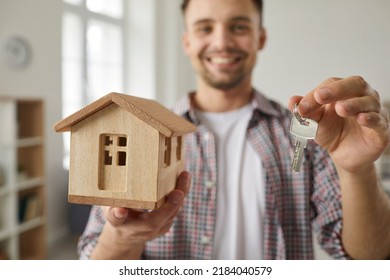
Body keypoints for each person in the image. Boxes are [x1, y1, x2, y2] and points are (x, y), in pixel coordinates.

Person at [78, 0, 390, 259]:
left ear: (261, 38)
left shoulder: (310, 135)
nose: (222, 42)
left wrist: (358, 171)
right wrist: (123, 237)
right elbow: (92, 261)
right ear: (187, 41)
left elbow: (370, 260)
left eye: (239, 26)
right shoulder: (140, 135)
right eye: (205, 28)